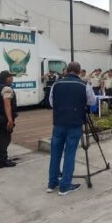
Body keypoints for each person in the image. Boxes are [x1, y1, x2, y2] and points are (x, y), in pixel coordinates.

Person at [47, 61, 96, 195]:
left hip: (58, 123)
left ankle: (52, 184)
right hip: (75, 123)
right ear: (79, 71)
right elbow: (92, 101)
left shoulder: (56, 84)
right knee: (69, 154)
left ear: (67, 70)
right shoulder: (84, 85)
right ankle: (65, 186)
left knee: (55, 153)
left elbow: (51, 102)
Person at [0, 70, 18, 168]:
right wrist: (10, 119)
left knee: (0, 138)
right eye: (11, 77)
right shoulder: (6, 89)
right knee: (5, 138)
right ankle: (2, 161)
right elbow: (7, 104)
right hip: (5, 117)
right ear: (7, 78)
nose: (12, 79)